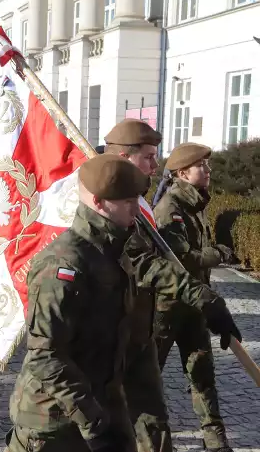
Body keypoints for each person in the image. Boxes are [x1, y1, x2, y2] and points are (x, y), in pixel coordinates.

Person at [102, 120, 241, 452]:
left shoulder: (175, 204)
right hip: (159, 309)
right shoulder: (160, 208)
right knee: (143, 384)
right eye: (149, 157)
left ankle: (213, 437)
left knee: (196, 371)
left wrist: (206, 300)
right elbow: (175, 260)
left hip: (181, 302)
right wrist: (216, 257)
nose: (155, 166)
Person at [7, 155, 150, 452]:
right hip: (54, 421)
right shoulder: (65, 265)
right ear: (98, 202)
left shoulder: (115, 248)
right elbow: (46, 356)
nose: (137, 209)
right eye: (127, 201)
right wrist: (94, 424)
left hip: (103, 403)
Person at [154, 142, 241, 452]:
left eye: (208, 165)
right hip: (167, 307)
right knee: (150, 378)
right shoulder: (170, 207)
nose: (208, 171)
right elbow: (182, 260)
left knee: (203, 372)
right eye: (201, 166)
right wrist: (219, 253)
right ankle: (153, 443)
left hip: (195, 304)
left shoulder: (195, 203)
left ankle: (215, 441)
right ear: (182, 173)